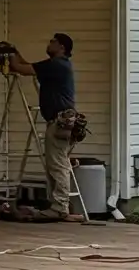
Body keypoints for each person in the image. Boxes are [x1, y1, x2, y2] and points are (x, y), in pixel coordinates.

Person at [8, 33, 84, 223]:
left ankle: (59, 207)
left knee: (57, 166)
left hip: (60, 122)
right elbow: (28, 66)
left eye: (53, 42)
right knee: (59, 164)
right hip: (63, 121)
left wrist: (8, 55)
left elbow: (20, 68)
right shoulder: (55, 66)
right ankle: (60, 206)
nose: (49, 44)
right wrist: (15, 51)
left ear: (62, 47)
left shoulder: (56, 65)